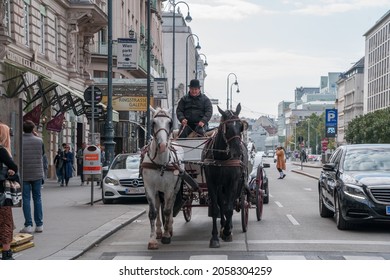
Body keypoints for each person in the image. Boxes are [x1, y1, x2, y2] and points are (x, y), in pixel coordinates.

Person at [20, 120, 44, 234]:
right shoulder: (39, 141)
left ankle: (28, 225)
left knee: (26, 199)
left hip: (24, 173)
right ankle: (39, 225)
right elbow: (42, 154)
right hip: (37, 173)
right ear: (33, 129)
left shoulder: (19, 141)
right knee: (37, 198)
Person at [0, 122, 18, 260]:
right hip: (1, 192)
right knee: (5, 221)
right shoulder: (2, 150)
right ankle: (6, 253)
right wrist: (9, 170)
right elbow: (14, 166)